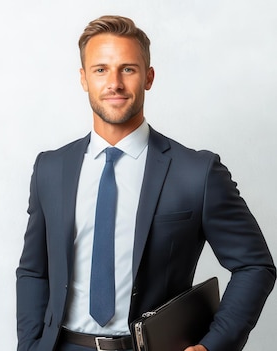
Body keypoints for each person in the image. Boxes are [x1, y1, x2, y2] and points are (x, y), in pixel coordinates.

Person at [15, 15, 275, 351]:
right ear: (83, 79)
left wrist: (213, 346)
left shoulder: (197, 172)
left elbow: (255, 265)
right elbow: (34, 271)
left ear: (148, 77)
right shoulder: (50, 168)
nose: (114, 83)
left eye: (128, 69)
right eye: (100, 70)